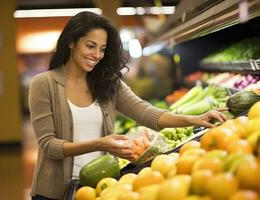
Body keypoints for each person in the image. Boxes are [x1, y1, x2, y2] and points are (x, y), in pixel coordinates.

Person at [28, 11, 227, 200]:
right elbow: (49, 145)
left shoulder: (108, 83)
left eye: (103, 49)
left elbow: (147, 113)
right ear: (71, 42)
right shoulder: (44, 83)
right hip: (53, 192)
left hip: (98, 186)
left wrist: (195, 119)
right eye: (90, 46)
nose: (97, 54)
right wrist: (99, 143)